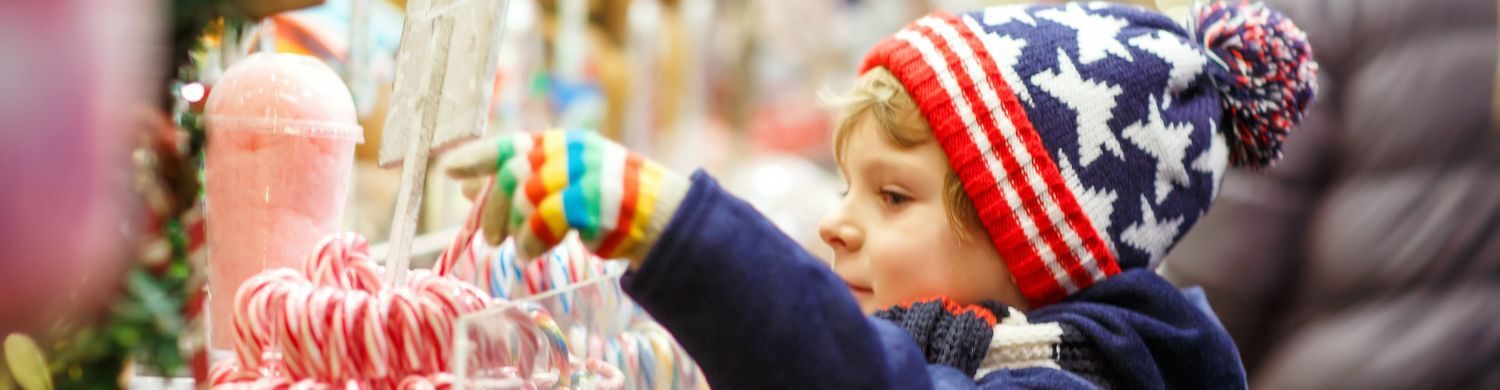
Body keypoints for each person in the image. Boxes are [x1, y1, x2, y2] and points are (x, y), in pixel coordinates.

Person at [444, 1, 1316, 388]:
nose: (834, 223)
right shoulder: (980, 336)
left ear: (1032, 247)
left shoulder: (1069, 383)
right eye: (846, 185)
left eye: (892, 197)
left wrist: (679, 232)